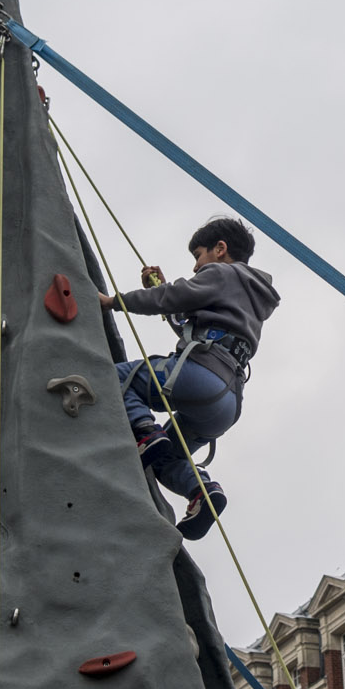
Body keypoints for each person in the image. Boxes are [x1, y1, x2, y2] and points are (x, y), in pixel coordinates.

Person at [97, 218, 280, 539]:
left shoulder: (223, 273)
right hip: (228, 401)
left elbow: (174, 296)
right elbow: (189, 322)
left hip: (201, 374)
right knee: (165, 461)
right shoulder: (251, 297)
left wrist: (114, 302)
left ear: (220, 249)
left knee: (113, 377)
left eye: (198, 255)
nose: (196, 267)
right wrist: (160, 289)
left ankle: (145, 431)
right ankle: (202, 491)